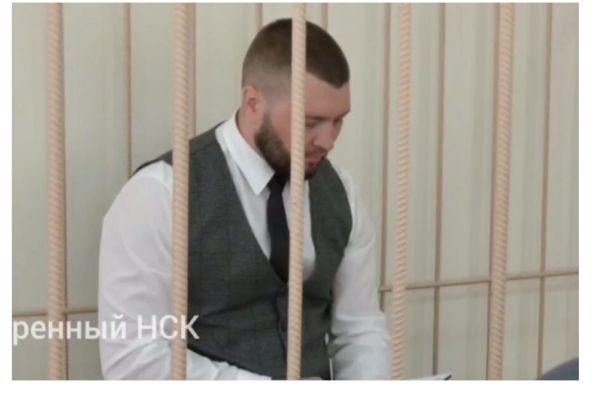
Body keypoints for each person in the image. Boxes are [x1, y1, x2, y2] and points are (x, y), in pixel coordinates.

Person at [98, 18, 390, 380]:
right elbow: (131, 358)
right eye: (310, 123)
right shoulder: (159, 194)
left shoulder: (341, 193)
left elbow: (360, 330)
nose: (328, 141)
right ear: (253, 102)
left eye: (338, 121)